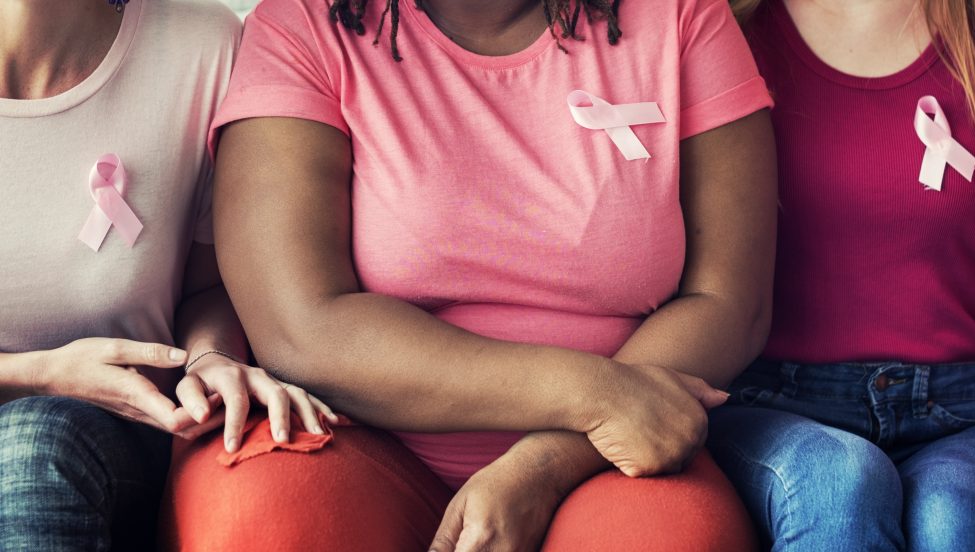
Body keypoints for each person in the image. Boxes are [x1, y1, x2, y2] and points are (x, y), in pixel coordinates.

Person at [162, 0, 777, 550]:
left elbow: (726, 299)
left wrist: (549, 461)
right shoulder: (301, 25)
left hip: (614, 455)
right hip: (360, 441)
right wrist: (594, 396)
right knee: (255, 520)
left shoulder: (681, 15)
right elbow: (299, 325)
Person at [0, 0, 331, 549]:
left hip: (127, 442)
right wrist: (44, 373)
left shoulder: (201, 47)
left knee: (37, 446)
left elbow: (207, 286)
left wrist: (209, 357)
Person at [708, 0, 975, 550]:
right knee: (840, 487)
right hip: (774, 401)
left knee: (950, 516)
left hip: (962, 407)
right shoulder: (724, 32)